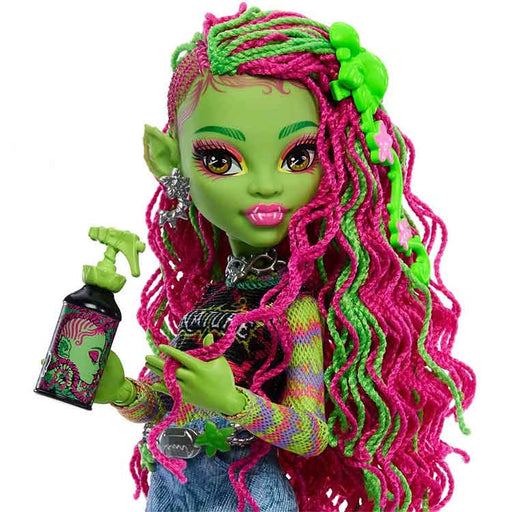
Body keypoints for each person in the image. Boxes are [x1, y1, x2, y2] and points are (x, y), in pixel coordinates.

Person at [94, 3, 475, 511]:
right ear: (166, 159)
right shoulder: (211, 295)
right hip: (171, 485)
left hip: (246, 493)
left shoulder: (295, 308)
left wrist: (234, 402)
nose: (265, 185)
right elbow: (174, 406)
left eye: (298, 157)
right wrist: (121, 392)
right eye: (220, 160)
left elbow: (310, 432)